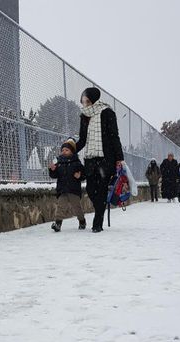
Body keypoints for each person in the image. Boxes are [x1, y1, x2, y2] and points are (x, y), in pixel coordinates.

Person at [75, 87, 124, 233]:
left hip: (105, 159)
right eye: (83, 101)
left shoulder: (107, 113)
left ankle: (98, 222)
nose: (85, 104)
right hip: (90, 159)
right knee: (90, 190)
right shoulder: (84, 116)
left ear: (94, 100)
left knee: (102, 190)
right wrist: (70, 150)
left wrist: (119, 158)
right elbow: (82, 140)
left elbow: (114, 136)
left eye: (87, 101)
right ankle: (99, 212)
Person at [49, 138, 86, 232]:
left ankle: (82, 221)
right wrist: (52, 170)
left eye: (66, 150)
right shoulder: (59, 163)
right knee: (60, 207)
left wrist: (80, 175)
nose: (64, 152)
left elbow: (84, 174)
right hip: (62, 189)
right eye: (62, 150)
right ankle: (58, 224)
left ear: (72, 151)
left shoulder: (76, 163)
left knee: (77, 207)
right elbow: (54, 175)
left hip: (73, 189)